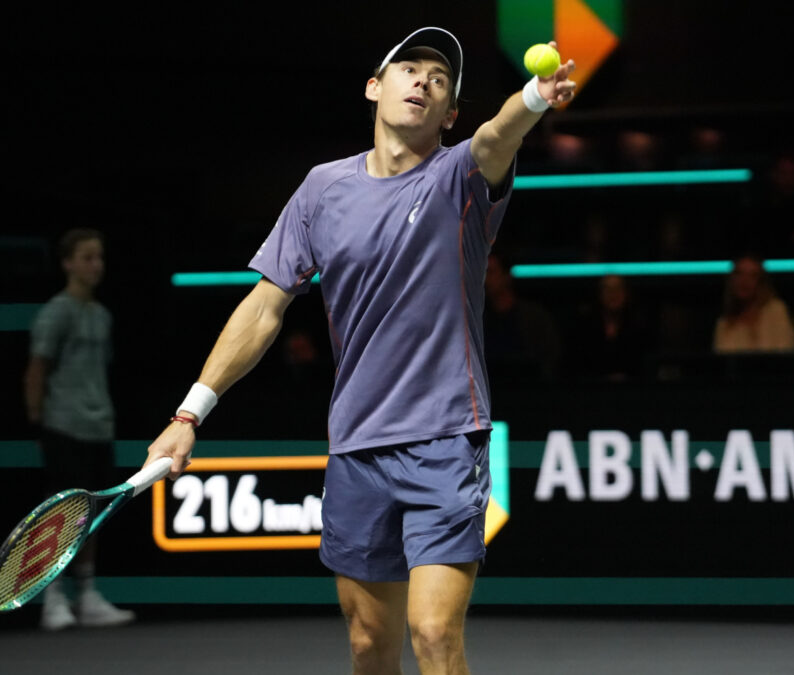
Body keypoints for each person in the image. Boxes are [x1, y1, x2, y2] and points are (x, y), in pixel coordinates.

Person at [143, 28, 577, 675]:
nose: (423, 81)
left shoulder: (459, 177)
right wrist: (187, 416)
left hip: (446, 439)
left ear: (449, 113)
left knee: (432, 633)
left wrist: (533, 99)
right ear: (375, 87)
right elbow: (264, 307)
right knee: (370, 644)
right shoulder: (321, 190)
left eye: (439, 79)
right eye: (409, 68)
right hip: (356, 449)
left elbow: (496, 137)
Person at [23, 228, 135, 630]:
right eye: (87, 257)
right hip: (63, 427)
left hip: (97, 427)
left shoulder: (101, 315)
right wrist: (39, 421)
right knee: (59, 516)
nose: (96, 265)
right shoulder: (56, 312)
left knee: (90, 515)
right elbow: (37, 369)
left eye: (99, 257)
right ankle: (52, 597)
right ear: (67, 263)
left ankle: (86, 595)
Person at [483, 253, 562, 383]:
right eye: (483, 273)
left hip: (531, 390)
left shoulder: (534, 317)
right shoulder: (479, 320)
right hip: (492, 391)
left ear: (506, 276)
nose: (485, 279)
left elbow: (551, 357)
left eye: (491, 272)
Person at [713, 255, 794, 353]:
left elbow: (785, 353)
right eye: (739, 274)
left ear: (761, 282)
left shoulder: (776, 311)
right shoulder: (723, 324)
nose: (744, 281)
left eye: (753, 275)